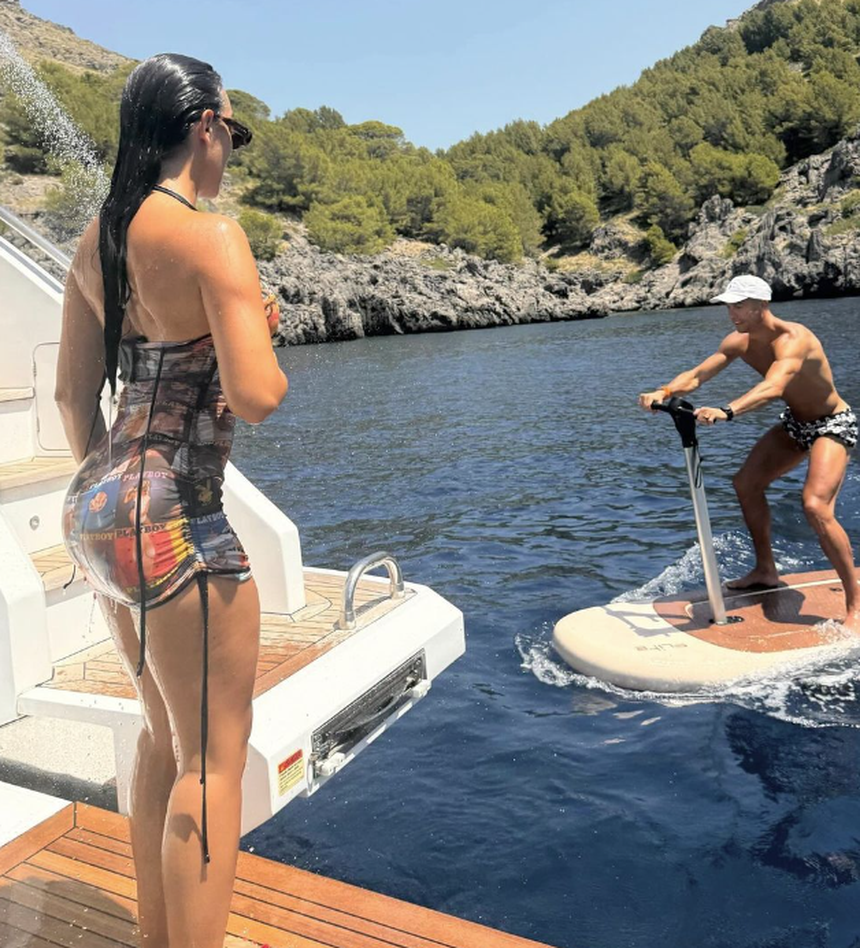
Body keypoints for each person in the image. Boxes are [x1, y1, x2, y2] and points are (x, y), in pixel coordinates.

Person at [55, 53, 288, 948]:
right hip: (175, 508)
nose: (231, 150)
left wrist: (112, 503)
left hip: (97, 502)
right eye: (233, 132)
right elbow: (256, 396)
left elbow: (73, 399)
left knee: (162, 736)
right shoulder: (211, 236)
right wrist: (256, 330)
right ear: (206, 125)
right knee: (212, 761)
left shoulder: (98, 237)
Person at [638, 274, 858, 632]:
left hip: (832, 424)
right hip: (796, 423)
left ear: (762, 305)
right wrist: (663, 391)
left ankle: (855, 603)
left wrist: (727, 411)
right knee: (746, 484)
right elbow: (697, 375)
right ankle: (765, 570)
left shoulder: (795, 339)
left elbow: (774, 385)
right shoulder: (738, 341)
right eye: (730, 306)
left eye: (739, 306)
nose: (732, 313)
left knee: (816, 506)